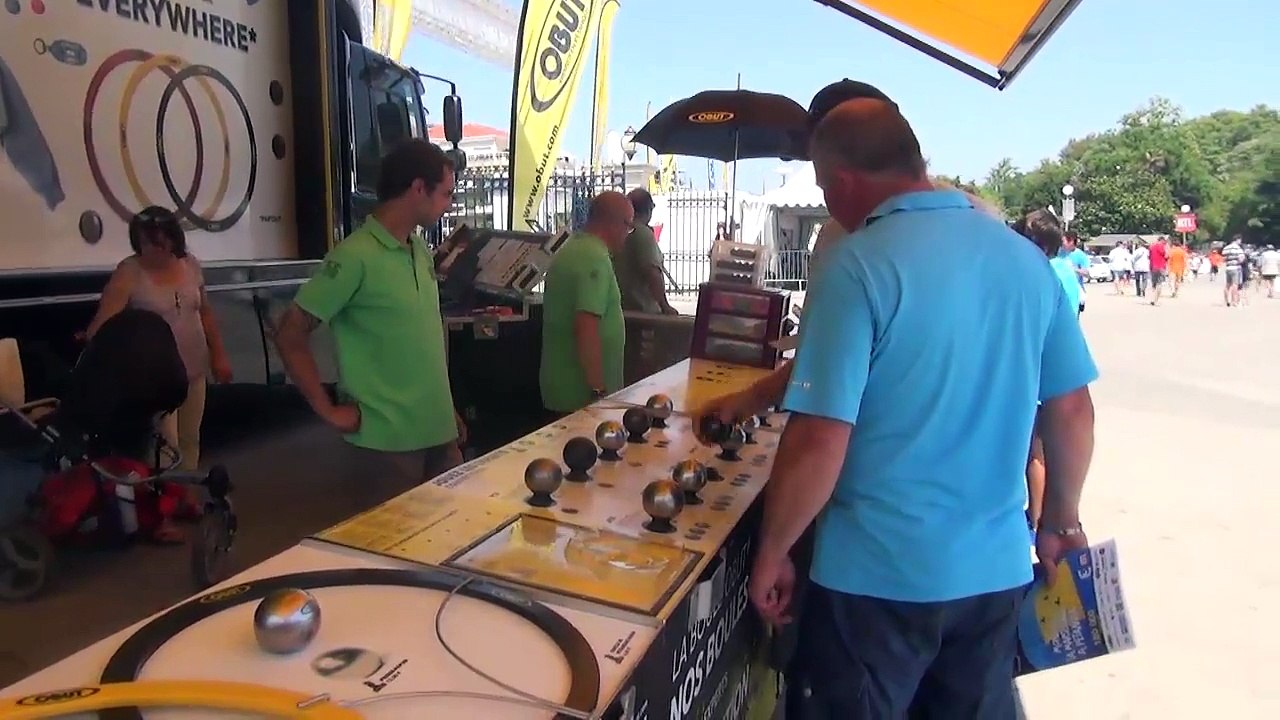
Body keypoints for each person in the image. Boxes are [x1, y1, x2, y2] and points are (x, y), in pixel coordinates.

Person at [727, 95, 1097, 719]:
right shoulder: (1025, 261)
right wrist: (1060, 520)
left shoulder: (858, 262)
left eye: (823, 188)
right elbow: (1072, 411)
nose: (826, 203)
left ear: (843, 181)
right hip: (994, 575)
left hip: (875, 580)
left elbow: (820, 434)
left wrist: (775, 549)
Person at [274, 139, 466, 492]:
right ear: (418, 188)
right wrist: (327, 410)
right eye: (446, 193)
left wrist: (446, 408)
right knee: (394, 543)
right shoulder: (353, 257)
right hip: (385, 446)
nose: (449, 204)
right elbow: (291, 331)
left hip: (439, 435)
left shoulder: (419, 249)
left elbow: (421, 343)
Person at [86, 205, 233, 528]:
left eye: (161, 240)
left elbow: (205, 313)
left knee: (190, 439)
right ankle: (159, 516)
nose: (155, 247)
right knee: (164, 448)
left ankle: (183, 498)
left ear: (173, 239)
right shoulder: (129, 272)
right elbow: (108, 316)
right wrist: (91, 348)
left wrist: (219, 355)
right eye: (147, 241)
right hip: (156, 378)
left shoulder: (191, 266)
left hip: (194, 370)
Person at [539, 191, 633, 418]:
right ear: (615, 224)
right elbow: (586, 327)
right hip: (581, 396)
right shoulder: (595, 258)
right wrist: (598, 390)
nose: (627, 234)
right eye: (628, 226)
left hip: (559, 388)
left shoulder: (569, 250)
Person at [613, 188, 677, 315]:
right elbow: (652, 273)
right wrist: (665, 306)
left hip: (620, 309)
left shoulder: (618, 231)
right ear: (648, 210)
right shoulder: (642, 233)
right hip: (642, 310)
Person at [1222, 235, 1246, 307]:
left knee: (1227, 285)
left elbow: (1223, 258)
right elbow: (1241, 259)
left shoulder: (1226, 248)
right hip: (1236, 268)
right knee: (1235, 285)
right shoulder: (1238, 248)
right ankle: (1233, 301)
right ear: (1237, 240)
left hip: (1228, 268)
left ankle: (1226, 301)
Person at [1148, 235, 1169, 305]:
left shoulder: (1151, 246)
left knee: (1153, 284)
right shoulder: (1161, 246)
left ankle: (1151, 298)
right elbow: (1166, 256)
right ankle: (1156, 300)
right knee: (1159, 284)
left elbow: (1149, 257)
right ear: (1162, 240)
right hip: (1160, 267)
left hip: (1153, 267)